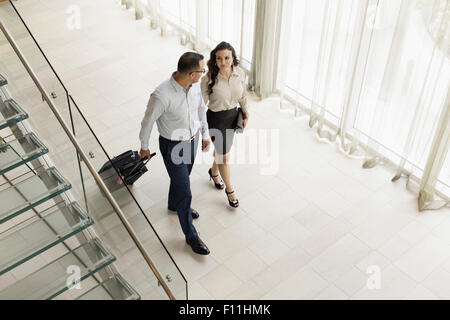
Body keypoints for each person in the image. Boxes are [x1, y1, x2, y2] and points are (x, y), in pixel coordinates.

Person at [139, 52, 211, 255]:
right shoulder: (161, 95)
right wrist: (144, 146)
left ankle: (174, 204)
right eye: (201, 71)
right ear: (191, 74)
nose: (203, 74)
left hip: (192, 140)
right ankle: (191, 236)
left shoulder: (195, 86)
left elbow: (200, 110)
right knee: (185, 190)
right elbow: (148, 122)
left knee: (182, 179)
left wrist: (204, 134)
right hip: (173, 146)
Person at [200, 41, 249, 208]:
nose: (223, 62)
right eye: (219, 58)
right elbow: (200, 106)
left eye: (226, 58)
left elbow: (243, 96)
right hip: (215, 119)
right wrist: (201, 130)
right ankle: (230, 190)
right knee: (224, 156)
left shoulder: (240, 73)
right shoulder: (208, 79)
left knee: (222, 152)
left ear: (233, 58)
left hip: (232, 116)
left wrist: (246, 112)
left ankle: (214, 172)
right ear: (214, 59)